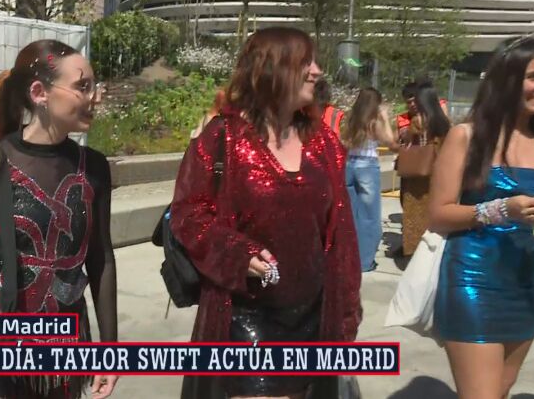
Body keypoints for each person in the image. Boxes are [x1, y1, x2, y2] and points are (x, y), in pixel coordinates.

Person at [170, 27, 362, 399]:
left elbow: (342, 233)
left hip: (313, 316)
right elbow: (188, 214)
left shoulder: (323, 142)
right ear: (273, 68)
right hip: (246, 315)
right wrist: (236, 252)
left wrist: (346, 312)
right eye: (306, 62)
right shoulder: (223, 137)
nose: (318, 71)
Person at [0, 40, 117, 399]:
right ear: (39, 93)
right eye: (83, 86)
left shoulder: (94, 167)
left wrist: (109, 350)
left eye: (95, 86)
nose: (94, 97)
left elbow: (101, 260)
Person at [428, 34, 534, 399]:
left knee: (502, 389)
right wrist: (500, 209)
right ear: (506, 80)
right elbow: (437, 214)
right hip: (473, 280)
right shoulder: (466, 136)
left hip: (529, 284)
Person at [342, 87, 399, 272]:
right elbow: (390, 141)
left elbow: (344, 141)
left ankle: (348, 259)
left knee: (351, 214)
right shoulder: (374, 122)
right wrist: (385, 118)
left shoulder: (351, 119)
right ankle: (364, 262)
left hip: (349, 164)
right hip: (367, 165)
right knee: (369, 216)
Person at [399, 85, 450, 256]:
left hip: (418, 174)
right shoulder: (444, 121)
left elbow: (408, 142)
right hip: (438, 172)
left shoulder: (418, 121)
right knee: (432, 212)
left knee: (414, 214)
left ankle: (414, 251)